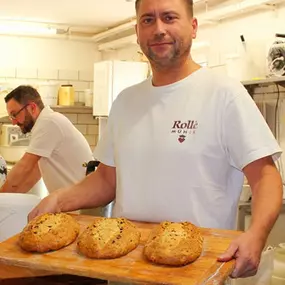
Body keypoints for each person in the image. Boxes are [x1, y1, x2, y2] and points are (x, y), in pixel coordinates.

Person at [28, 0, 283, 279]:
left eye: (170, 17)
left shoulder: (224, 94)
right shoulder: (126, 101)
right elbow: (106, 180)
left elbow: (266, 177)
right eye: (148, 20)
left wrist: (256, 235)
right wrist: (59, 200)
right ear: (137, 31)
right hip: (125, 264)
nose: (159, 29)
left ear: (194, 27)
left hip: (198, 267)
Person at [0, 85, 94, 194]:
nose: (13, 122)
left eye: (14, 114)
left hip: (79, 203)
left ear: (32, 108)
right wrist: (9, 197)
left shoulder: (48, 122)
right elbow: (34, 173)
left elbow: (24, 166)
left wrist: (2, 197)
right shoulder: (45, 123)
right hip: (74, 202)